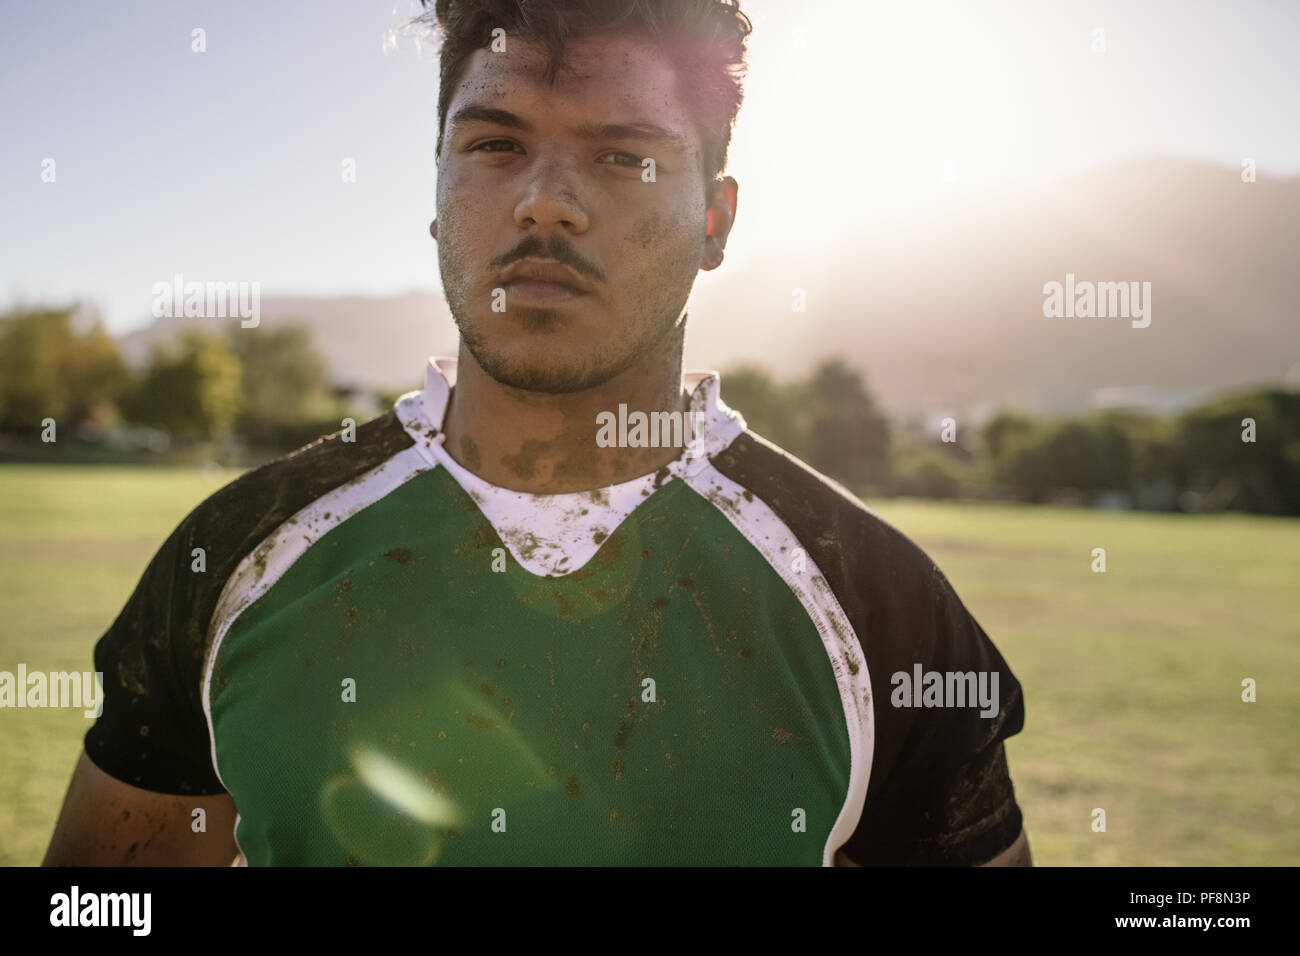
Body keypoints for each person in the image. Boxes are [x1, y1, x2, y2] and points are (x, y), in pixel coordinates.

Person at [44, 0, 1029, 866]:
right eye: (495, 145)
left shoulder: (877, 606)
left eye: (624, 156)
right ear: (436, 194)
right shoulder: (235, 560)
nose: (545, 201)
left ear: (714, 221)